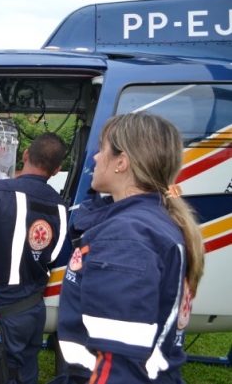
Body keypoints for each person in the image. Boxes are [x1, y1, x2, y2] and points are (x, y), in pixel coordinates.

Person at [53, 112, 205, 383]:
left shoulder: (125, 238)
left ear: (121, 162)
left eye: (102, 149)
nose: (97, 157)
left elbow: (120, 367)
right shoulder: (147, 222)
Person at [0, 132, 68, 384]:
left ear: (26, 154)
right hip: (33, 308)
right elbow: (56, 254)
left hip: (0, 308)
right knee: (25, 368)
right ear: (57, 169)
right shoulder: (60, 206)